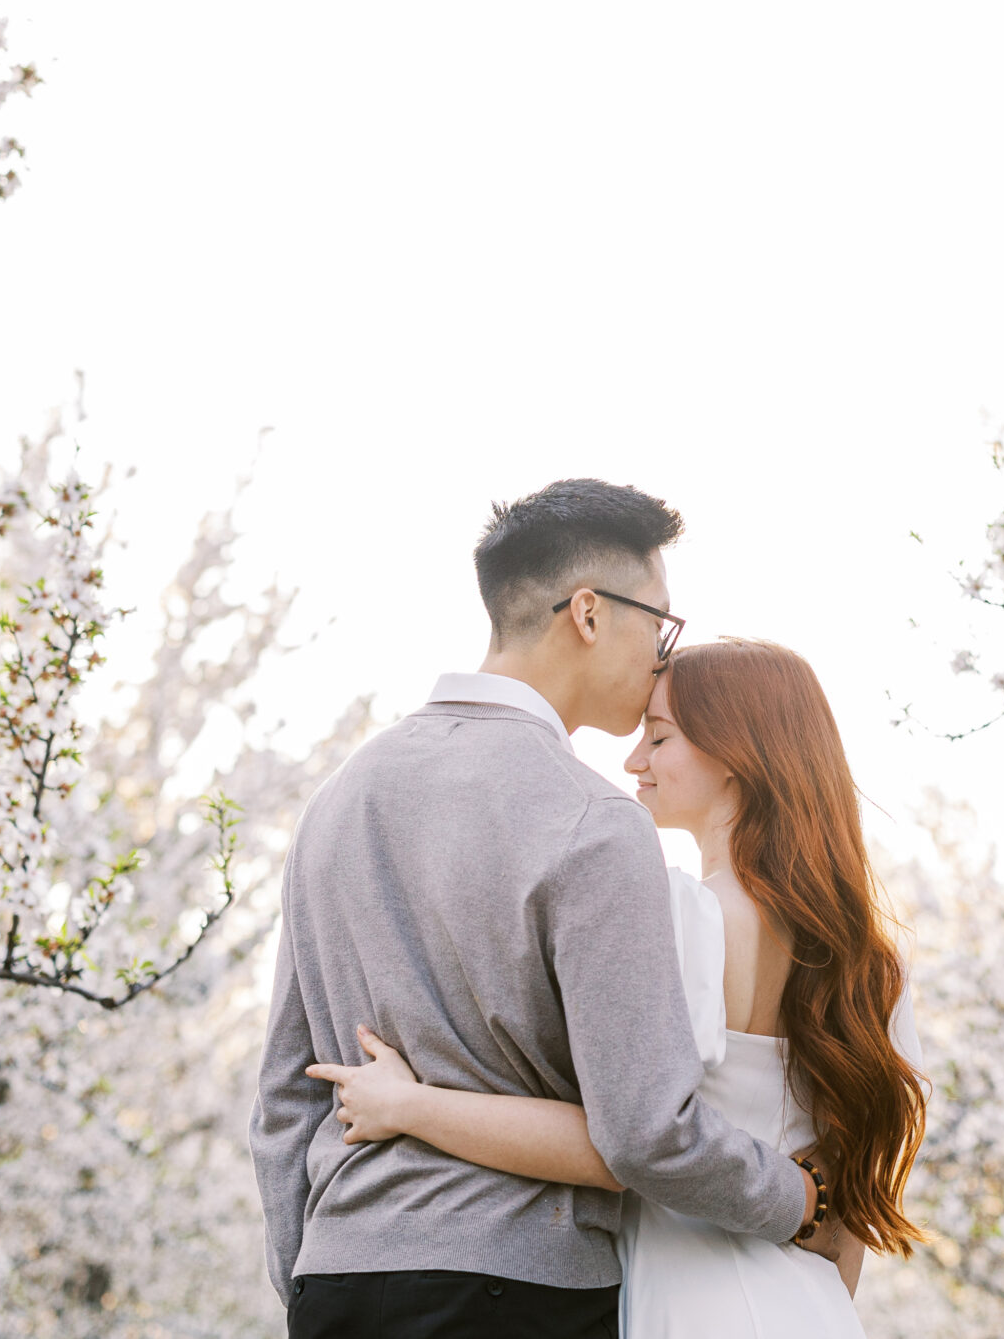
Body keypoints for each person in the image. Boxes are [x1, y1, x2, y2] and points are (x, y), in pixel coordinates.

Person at [251, 479, 839, 1339]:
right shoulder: (592, 820)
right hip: (519, 1288)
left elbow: (282, 1098)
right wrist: (800, 1196)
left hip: (336, 1282)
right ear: (591, 613)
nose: (661, 657)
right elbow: (645, 1133)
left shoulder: (337, 802)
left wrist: (309, 1268)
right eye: (659, 624)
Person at [309, 638, 928, 1336]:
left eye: (659, 737)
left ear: (735, 754)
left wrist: (409, 1105)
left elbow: (620, 1144)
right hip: (808, 1305)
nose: (633, 760)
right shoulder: (870, 961)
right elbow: (841, 1227)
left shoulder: (682, 917)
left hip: (687, 1302)